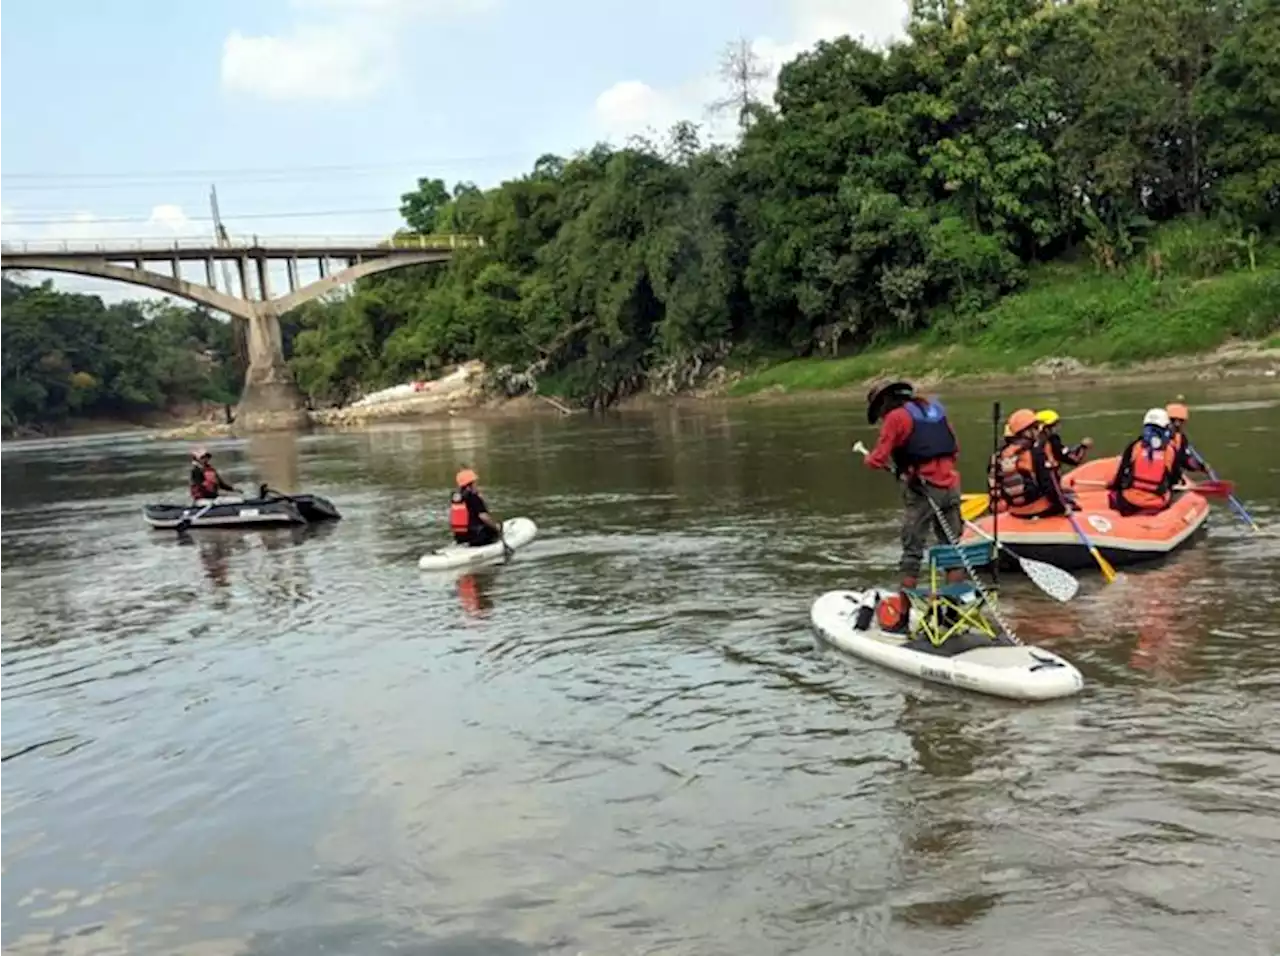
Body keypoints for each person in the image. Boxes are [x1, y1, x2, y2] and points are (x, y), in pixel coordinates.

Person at [862, 381, 966, 604]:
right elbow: (954, 448)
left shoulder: (895, 418)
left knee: (912, 551)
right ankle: (953, 610)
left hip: (923, 490)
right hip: (951, 486)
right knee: (952, 549)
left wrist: (869, 459)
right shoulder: (936, 410)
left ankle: (903, 610)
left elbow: (878, 458)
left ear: (884, 404)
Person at [989, 408, 1070, 518]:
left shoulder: (1000, 454)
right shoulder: (1035, 452)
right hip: (1038, 508)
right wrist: (1063, 507)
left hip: (1015, 511)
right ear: (1027, 431)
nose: (1038, 431)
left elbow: (993, 484)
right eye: (1036, 427)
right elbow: (1048, 483)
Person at [1109, 408, 1178, 516]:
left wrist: (1111, 486)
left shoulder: (1134, 446)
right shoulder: (1171, 450)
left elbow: (1120, 475)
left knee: (1113, 495)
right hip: (1157, 503)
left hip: (1129, 502)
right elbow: (1174, 479)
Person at [449, 468, 502, 547]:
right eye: (475, 482)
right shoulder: (474, 497)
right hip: (477, 537)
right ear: (470, 484)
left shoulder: (456, 498)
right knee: (493, 530)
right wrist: (496, 527)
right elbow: (484, 517)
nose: (476, 484)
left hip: (460, 538)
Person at [1166, 401, 1208, 488]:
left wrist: (1201, 467)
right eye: (1173, 420)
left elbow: (1185, 460)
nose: (1177, 424)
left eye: (1180, 420)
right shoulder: (1160, 438)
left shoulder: (1181, 438)